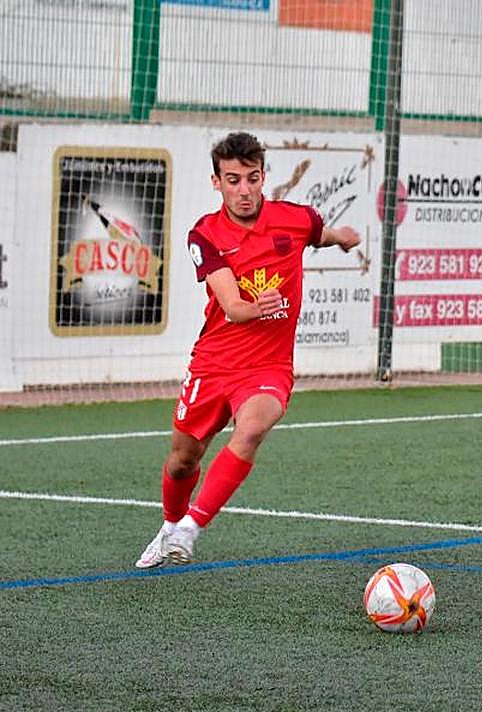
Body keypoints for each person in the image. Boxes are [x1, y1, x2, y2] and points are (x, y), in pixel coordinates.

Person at [135, 131, 360, 568]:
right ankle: (169, 524)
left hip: (268, 364)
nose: (244, 190)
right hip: (215, 362)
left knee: (253, 427)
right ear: (216, 182)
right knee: (183, 460)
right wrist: (255, 305)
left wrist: (343, 236)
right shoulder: (205, 234)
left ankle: (189, 529)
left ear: (263, 177)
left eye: (252, 179)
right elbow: (233, 307)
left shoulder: (294, 218)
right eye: (233, 180)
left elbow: (319, 232)